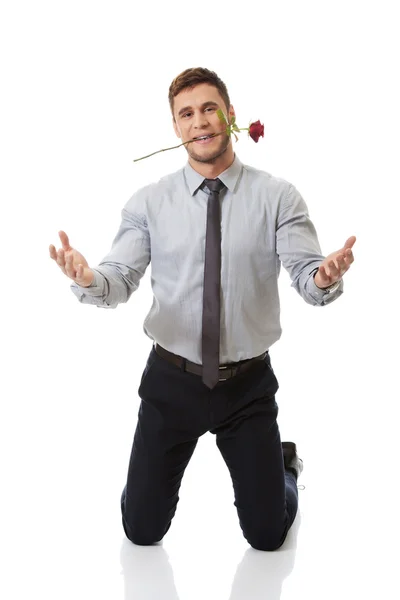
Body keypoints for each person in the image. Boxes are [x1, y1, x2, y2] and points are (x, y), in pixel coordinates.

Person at [49, 67, 356, 551]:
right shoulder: (149, 202)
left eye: (209, 108)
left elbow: (306, 276)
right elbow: (118, 279)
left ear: (230, 116)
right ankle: (145, 484)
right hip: (171, 383)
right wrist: (88, 278)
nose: (200, 121)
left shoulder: (277, 197)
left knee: (267, 536)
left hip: (247, 386)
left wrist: (323, 275)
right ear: (176, 128)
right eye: (186, 114)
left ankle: (285, 466)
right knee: (141, 531)